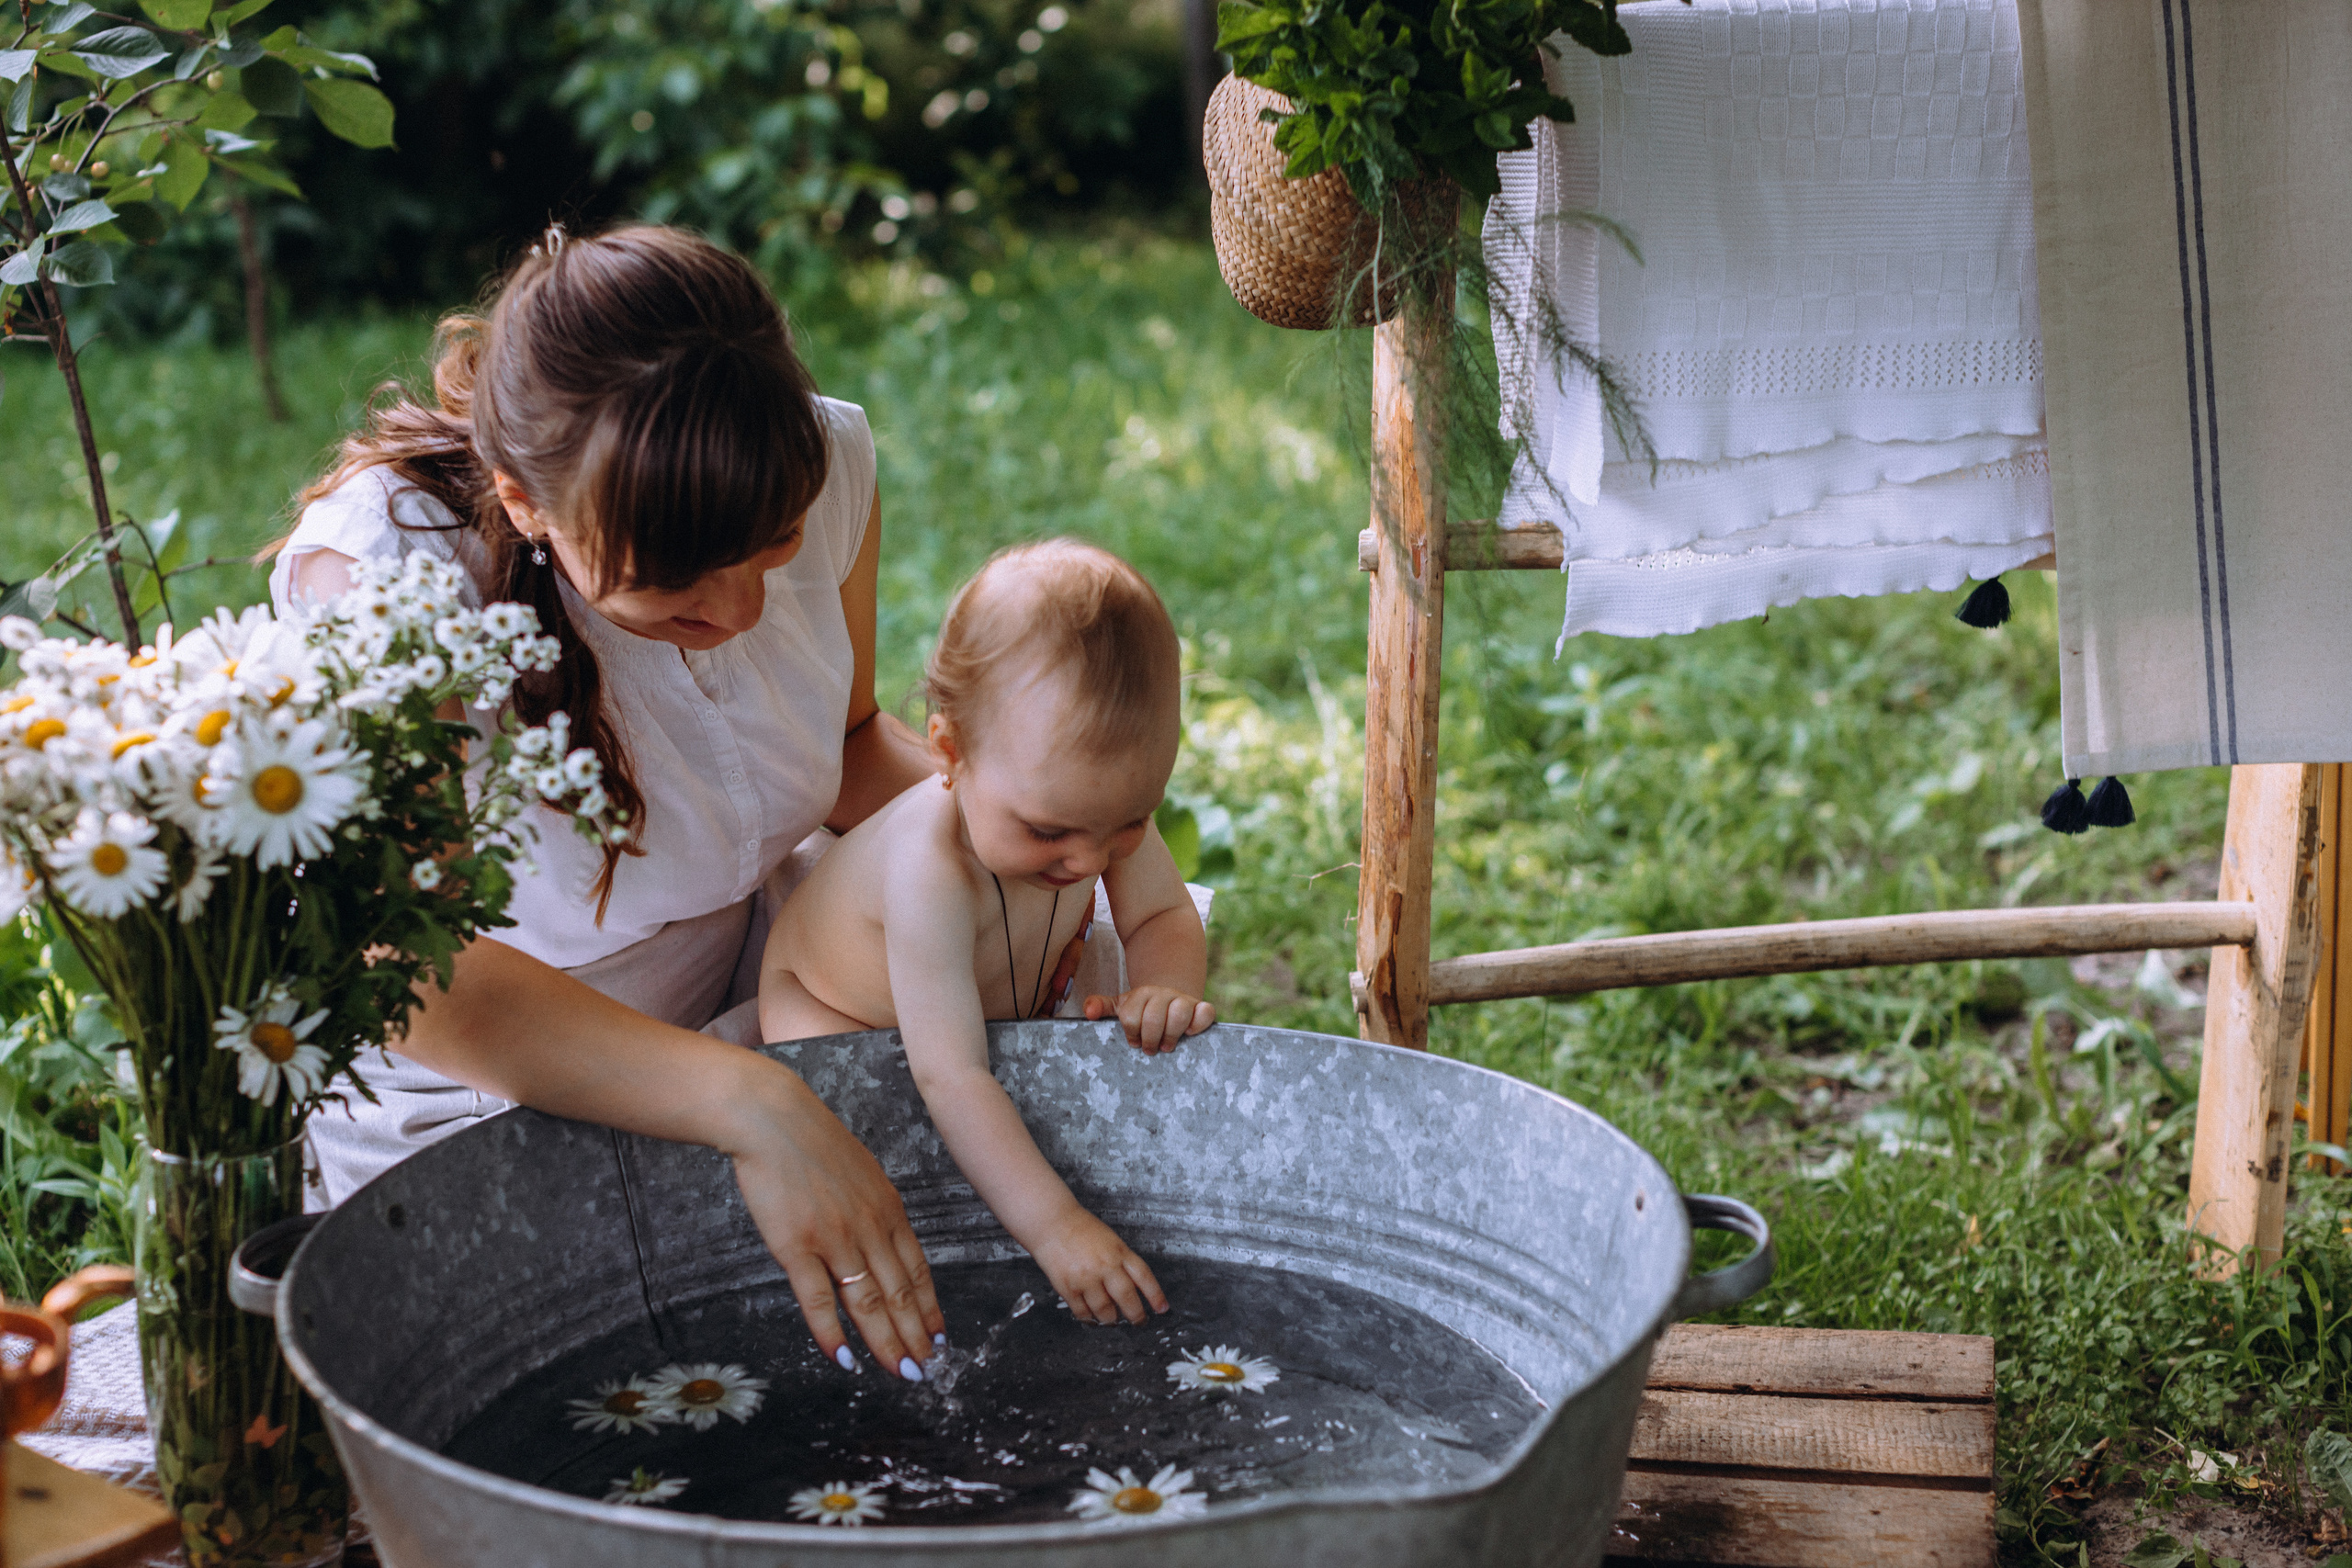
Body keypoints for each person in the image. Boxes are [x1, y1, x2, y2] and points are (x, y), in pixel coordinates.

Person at [267, 223, 946, 1382]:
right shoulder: (390, 572)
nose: (738, 611)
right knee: (606, 1368)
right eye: (672, 584)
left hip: (750, 965)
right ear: (525, 505)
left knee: (1043, 929)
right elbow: (404, 969)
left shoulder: (823, 458)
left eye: (772, 548)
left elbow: (843, 743)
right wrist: (754, 1103)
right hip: (488, 1080)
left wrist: (1028, 825)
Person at [759, 541, 1216, 1328]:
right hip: (840, 1014)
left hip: (1000, 992)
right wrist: (1057, 1227)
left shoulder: (1091, 813)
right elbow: (954, 1077)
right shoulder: (929, 873)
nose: (1089, 860)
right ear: (949, 754)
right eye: (1050, 831)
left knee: (1043, 1078)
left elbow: (1162, 916)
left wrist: (1167, 988)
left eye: (1130, 824)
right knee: (889, 1139)